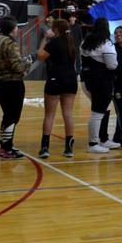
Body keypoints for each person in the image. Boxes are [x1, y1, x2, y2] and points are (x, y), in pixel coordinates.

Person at [37, 19, 78, 158]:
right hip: (71, 78)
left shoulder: (54, 42)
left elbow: (40, 56)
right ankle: (69, 148)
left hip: (56, 77)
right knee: (68, 113)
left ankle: (44, 147)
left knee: (50, 114)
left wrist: (45, 39)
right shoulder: (71, 42)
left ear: (56, 30)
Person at [80, 18, 118, 154]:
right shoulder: (106, 44)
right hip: (101, 81)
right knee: (97, 112)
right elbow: (112, 65)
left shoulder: (86, 41)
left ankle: (104, 139)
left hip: (86, 80)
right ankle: (93, 143)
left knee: (104, 109)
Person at [0, 17, 27, 160]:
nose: (17, 29)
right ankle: (6, 148)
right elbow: (16, 67)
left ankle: (5, 145)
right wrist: (27, 64)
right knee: (12, 117)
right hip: (12, 83)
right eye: (16, 27)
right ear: (12, 29)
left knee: (7, 116)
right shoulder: (10, 43)